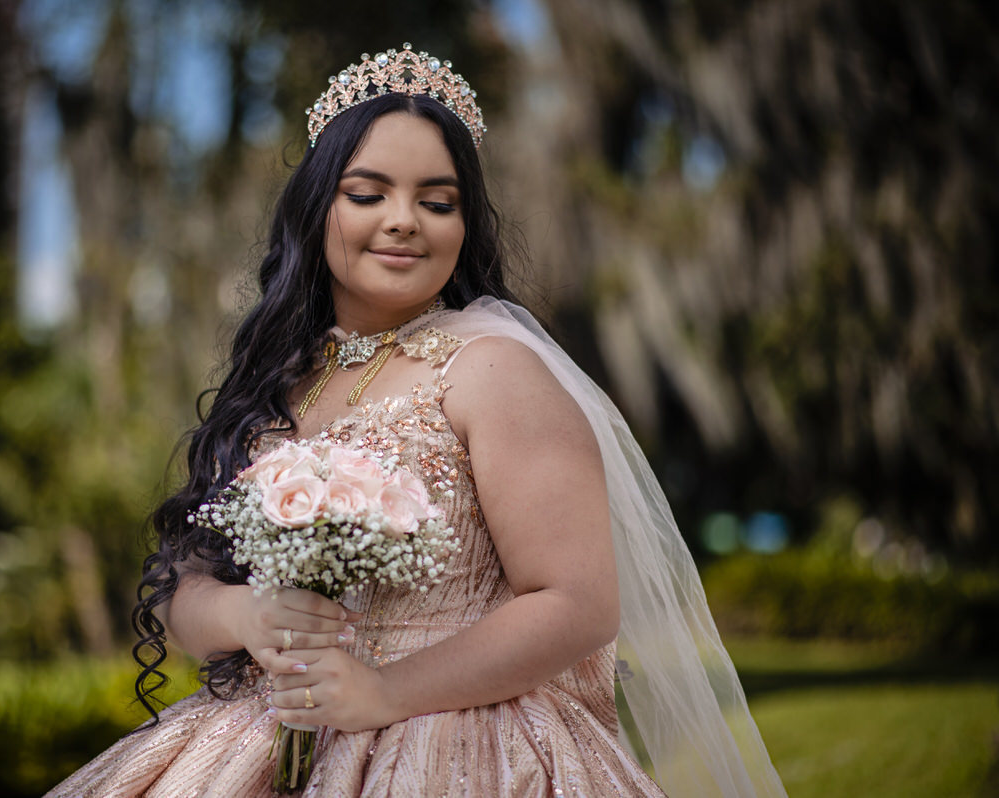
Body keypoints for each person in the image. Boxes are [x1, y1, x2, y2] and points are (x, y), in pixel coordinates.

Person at [47, 44, 787, 797]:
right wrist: (247, 614)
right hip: (266, 728)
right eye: (367, 194)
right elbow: (185, 585)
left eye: (437, 203)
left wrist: (384, 692)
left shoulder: (492, 370)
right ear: (317, 208)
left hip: (460, 737)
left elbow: (578, 603)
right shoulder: (278, 380)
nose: (403, 222)